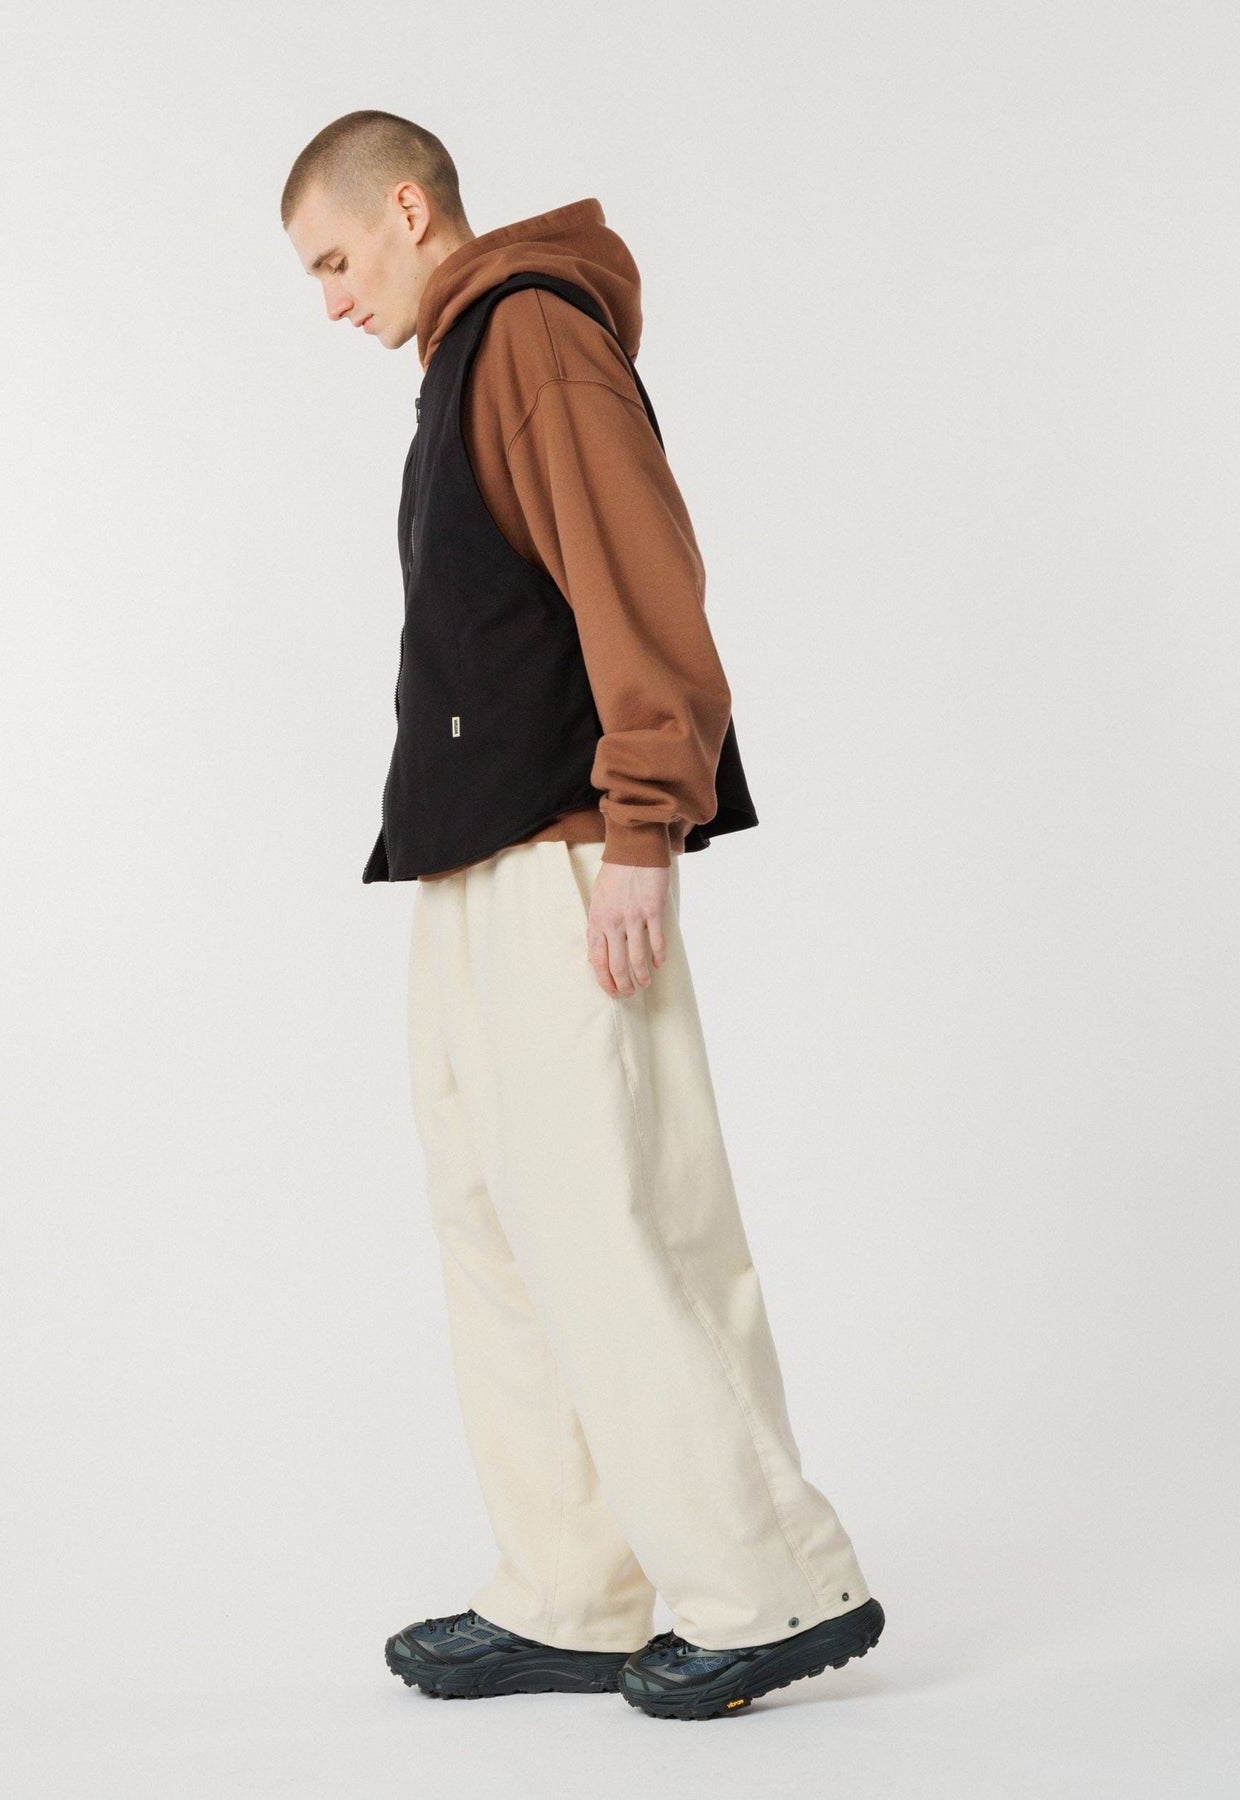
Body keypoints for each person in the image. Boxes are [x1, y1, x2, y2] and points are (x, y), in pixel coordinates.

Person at [281, 109, 885, 1721]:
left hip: (565, 854)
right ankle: (572, 1586)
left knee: (620, 1214)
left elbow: (640, 579)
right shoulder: (465, 361)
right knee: (501, 1226)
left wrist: (640, 831)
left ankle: (772, 1585)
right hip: (472, 860)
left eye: (335, 261)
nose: (329, 302)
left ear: (407, 209)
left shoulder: (533, 335)